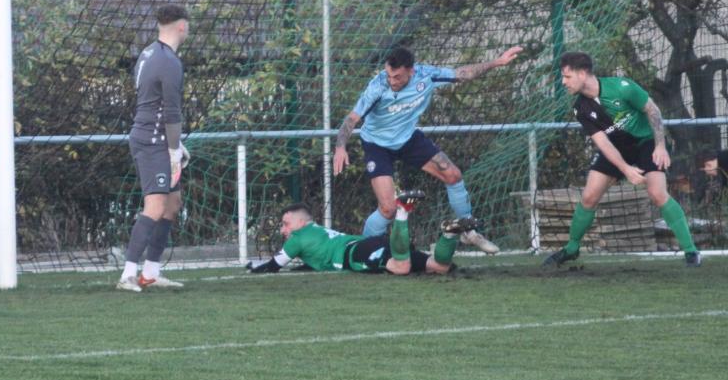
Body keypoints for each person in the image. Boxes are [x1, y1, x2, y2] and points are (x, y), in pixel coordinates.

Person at [332, 44, 522, 254]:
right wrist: (340, 147)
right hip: (377, 145)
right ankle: (363, 252)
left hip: (407, 139)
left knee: (453, 175)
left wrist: (497, 62)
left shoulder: (426, 75)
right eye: (389, 75)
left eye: (397, 77)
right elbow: (351, 119)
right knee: (388, 209)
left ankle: (469, 231)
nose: (392, 81)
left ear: (411, 71)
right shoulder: (377, 87)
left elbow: (463, 74)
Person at [543, 51, 700, 268]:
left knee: (657, 194)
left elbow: (653, 110)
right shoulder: (581, 108)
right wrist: (625, 169)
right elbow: (603, 143)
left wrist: (660, 145)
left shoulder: (621, 87)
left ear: (583, 73)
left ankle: (691, 251)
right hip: (617, 149)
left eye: (567, 76)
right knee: (589, 197)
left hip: (646, 142)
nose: (563, 82)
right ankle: (571, 249)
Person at [116, 4, 191, 292]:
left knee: (172, 204)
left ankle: (151, 272)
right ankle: (127, 274)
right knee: (156, 205)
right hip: (153, 141)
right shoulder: (169, 61)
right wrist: (173, 149)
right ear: (182, 26)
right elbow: (171, 111)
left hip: (155, 137)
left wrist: (175, 143)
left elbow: (153, 101)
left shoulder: (149, 53)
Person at [245, 192, 469, 276]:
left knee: (401, 268)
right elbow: (316, 260)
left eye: (286, 224)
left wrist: (253, 266)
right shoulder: (316, 231)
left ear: (301, 222)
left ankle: (402, 211)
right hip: (369, 244)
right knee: (440, 267)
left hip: (355, 254)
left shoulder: (298, 237)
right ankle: (449, 235)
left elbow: (273, 266)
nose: (283, 230)